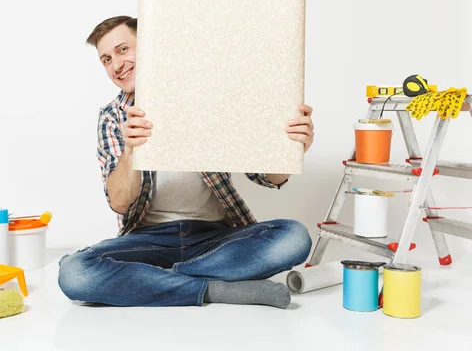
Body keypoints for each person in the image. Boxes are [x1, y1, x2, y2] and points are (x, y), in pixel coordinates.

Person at [58, 16, 315, 308]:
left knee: (294, 237)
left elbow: (268, 177)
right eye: (106, 59)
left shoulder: (209, 97)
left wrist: (291, 148)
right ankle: (214, 289)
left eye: (123, 50)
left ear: (151, 46)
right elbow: (119, 202)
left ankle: (156, 280)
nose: (116, 65)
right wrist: (131, 151)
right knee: (74, 273)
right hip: (149, 240)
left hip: (215, 239)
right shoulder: (112, 117)